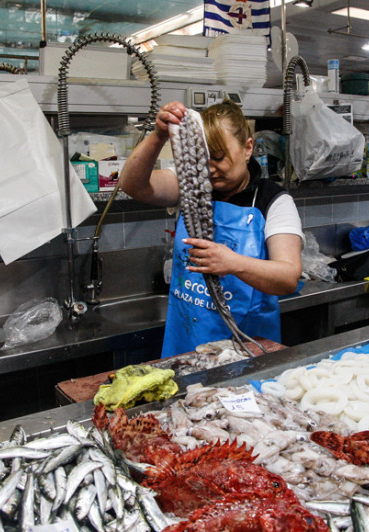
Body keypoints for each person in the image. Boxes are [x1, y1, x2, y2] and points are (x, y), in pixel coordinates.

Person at [119, 100, 304, 358]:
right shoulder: (192, 185)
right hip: (187, 343)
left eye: (219, 158)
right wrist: (158, 135)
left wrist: (232, 262)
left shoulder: (272, 201)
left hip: (243, 348)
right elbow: (132, 185)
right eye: (203, 159)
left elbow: (288, 277)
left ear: (247, 148)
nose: (210, 169)